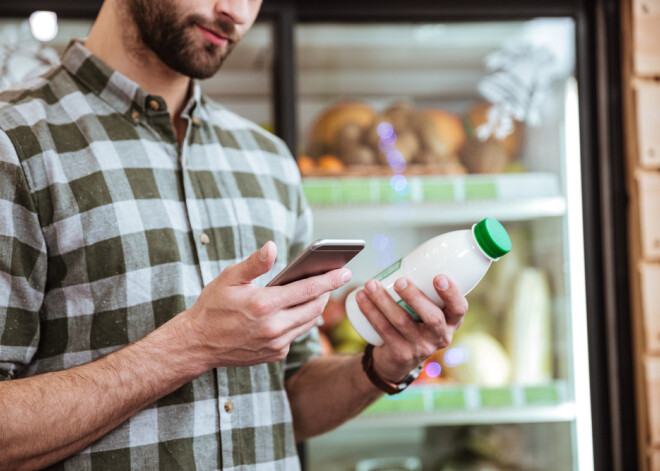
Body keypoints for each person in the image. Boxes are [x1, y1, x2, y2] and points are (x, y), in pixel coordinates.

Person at [0, 0, 468, 469]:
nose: (238, 13)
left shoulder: (268, 159)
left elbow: (286, 398)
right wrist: (192, 345)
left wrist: (380, 368)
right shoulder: (14, 141)